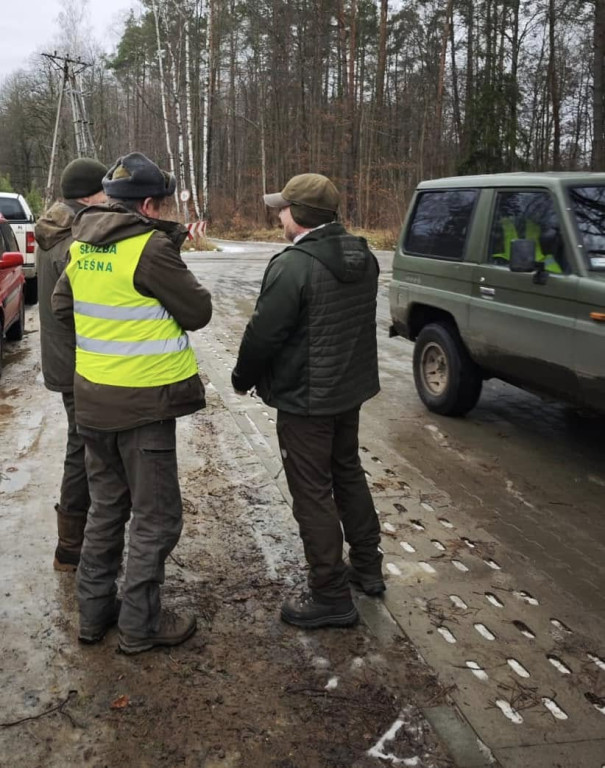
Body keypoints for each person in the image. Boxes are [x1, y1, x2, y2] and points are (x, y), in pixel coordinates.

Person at [52, 152, 212, 653]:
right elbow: (198, 311)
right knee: (157, 517)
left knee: (106, 509)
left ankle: (94, 616)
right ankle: (141, 625)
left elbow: (61, 308)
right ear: (146, 205)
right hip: (144, 407)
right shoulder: (147, 248)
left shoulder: (81, 246)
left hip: (94, 403)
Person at [231, 173, 384, 629]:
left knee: (312, 493)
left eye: (282, 208)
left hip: (306, 401)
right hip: (348, 392)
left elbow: (263, 334)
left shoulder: (293, 265)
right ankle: (368, 568)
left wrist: (242, 378)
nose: (278, 214)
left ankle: (331, 595)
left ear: (298, 216)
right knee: (347, 473)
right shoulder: (365, 256)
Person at [35, 157, 108, 572]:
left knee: (80, 445)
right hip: (80, 363)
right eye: (104, 191)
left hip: (63, 361)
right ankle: (72, 545)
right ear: (89, 194)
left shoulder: (54, 227)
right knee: (82, 449)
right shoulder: (73, 240)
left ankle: (75, 539)